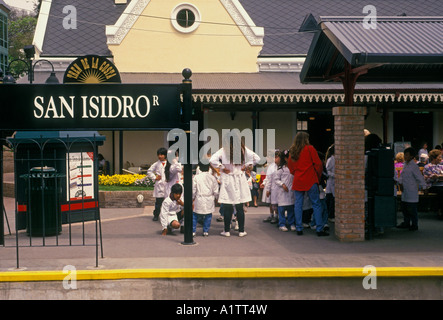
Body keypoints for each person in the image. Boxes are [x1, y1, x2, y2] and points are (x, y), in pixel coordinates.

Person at [210, 132, 260, 237]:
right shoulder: (243, 149)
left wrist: (222, 167)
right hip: (240, 179)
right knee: (239, 206)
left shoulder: (223, 150)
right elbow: (257, 158)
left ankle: (226, 231)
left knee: (228, 206)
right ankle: (241, 231)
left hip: (228, 179)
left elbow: (212, 160)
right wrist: (246, 166)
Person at [287, 132, 328, 236]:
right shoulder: (310, 149)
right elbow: (318, 164)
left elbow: (290, 167)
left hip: (298, 179)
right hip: (310, 179)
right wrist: (317, 177)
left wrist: (295, 173)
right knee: (316, 204)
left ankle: (299, 228)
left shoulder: (293, 151)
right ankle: (319, 228)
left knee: (298, 204)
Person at [397, 147, 427, 231]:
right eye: (404, 155)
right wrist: (400, 183)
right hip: (405, 190)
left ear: (412, 156)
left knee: (412, 209)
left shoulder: (414, 166)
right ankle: (406, 222)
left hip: (411, 190)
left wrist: (424, 187)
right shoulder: (405, 165)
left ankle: (414, 224)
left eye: (407, 155)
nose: (405, 157)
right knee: (404, 208)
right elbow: (402, 176)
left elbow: (419, 178)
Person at [192, 163, 219, 236]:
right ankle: (206, 231)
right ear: (208, 168)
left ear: (199, 168)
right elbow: (216, 190)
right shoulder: (212, 178)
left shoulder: (196, 177)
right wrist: (216, 198)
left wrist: (192, 197)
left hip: (199, 197)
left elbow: (193, 189)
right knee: (208, 215)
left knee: (195, 214)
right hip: (209, 198)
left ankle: (193, 231)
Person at [274, 150, 295, 232]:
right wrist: (282, 184)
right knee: (282, 209)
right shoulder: (281, 170)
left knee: (290, 209)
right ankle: (282, 224)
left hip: (291, 191)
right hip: (282, 192)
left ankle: (291, 223)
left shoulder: (293, 168)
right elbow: (276, 180)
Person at [147, 147, 168, 221]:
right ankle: (156, 215)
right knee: (158, 203)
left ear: (165, 155)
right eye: (159, 155)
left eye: (162, 154)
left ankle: (166, 216)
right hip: (159, 185)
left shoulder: (169, 163)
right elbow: (149, 171)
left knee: (167, 202)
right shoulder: (156, 164)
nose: (160, 156)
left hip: (167, 185)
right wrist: (154, 177)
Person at [423, 149, 443, 219]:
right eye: (439, 157)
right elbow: (429, 178)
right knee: (441, 191)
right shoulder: (427, 167)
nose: (441, 159)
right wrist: (439, 177)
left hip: (440, 185)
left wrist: (438, 177)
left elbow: (435, 177)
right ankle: (440, 210)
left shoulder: (441, 166)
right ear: (434, 158)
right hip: (432, 186)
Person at [262, 150, 280, 224]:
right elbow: (268, 177)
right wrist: (264, 183)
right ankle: (271, 215)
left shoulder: (277, 166)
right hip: (270, 186)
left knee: (275, 203)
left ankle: (276, 216)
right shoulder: (270, 166)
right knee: (270, 202)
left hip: (275, 187)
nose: (268, 158)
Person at [325, 144, 335, 222]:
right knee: (331, 200)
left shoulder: (335, 159)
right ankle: (330, 216)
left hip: (335, 183)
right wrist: (335, 175)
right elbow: (327, 171)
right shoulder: (330, 159)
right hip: (331, 182)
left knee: (333, 200)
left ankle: (331, 215)